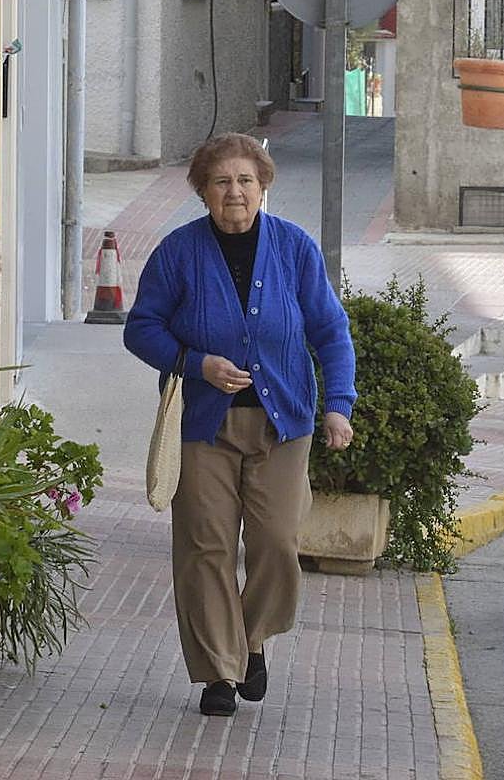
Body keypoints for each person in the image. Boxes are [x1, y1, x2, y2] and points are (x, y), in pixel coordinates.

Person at [123, 133, 357, 716]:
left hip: (284, 425)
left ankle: (250, 640)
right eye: (222, 181)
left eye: (245, 181)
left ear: (264, 187)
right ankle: (218, 675)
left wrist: (338, 405)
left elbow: (330, 331)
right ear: (203, 191)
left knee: (277, 542)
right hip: (204, 426)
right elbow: (141, 328)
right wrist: (197, 363)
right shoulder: (178, 253)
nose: (235, 191)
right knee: (206, 548)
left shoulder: (294, 248)